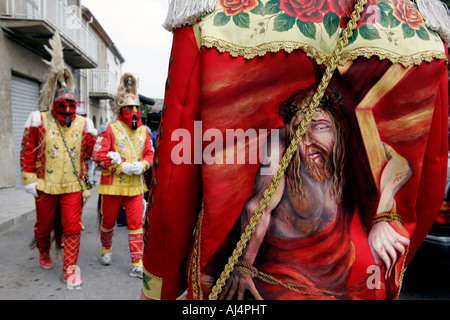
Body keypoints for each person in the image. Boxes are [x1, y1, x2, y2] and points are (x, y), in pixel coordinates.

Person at [141, 0, 450, 300]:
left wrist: (159, 286)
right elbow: (429, 187)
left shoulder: (212, 13)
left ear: (333, 125)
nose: (308, 141)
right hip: (336, 284)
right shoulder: (421, 26)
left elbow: (172, 186)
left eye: (319, 126)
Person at [20, 33, 96, 288]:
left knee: (72, 227)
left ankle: (70, 269)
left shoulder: (85, 123)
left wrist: (100, 148)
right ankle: (43, 250)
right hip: (45, 184)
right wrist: (29, 178)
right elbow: (28, 149)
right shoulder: (39, 120)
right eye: (62, 105)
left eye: (70, 105)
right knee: (43, 227)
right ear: (55, 102)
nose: (66, 109)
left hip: (73, 185)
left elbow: (90, 153)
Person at [92, 73, 154, 279]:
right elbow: (97, 154)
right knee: (108, 221)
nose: (134, 111)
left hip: (135, 186)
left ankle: (137, 262)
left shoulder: (144, 131)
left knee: (136, 223)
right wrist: (119, 166)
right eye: (129, 108)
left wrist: (142, 166)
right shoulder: (111, 129)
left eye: (137, 108)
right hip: (112, 186)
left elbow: (150, 154)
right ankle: (105, 249)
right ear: (121, 110)